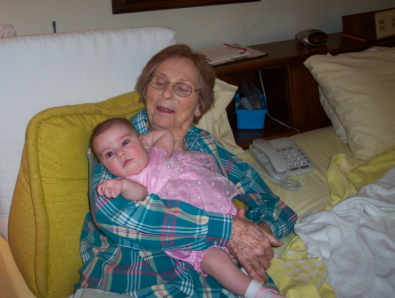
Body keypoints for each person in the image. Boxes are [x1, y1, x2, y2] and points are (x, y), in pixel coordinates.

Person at [76, 44, 297, 297]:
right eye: (159, 82)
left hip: (220, 284)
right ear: (146, 90)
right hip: (140, 279)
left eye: (181, 88)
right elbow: (117, 217)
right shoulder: (117, 142)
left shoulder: (208, 148)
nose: (167, 94)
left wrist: (256, 234)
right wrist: (228, 228)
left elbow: (275, 208)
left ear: (200, 106)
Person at [90, 117, 285, 298]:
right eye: (109, 154)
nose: (120, 153)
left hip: (216, 209)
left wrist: (144, 142)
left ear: (142, 141)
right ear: (104, 165)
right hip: (192, 232)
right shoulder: (131, 179)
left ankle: (250, 270)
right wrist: (121, 186)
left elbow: (165, 135)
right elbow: (139, 194)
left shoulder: (157, 152)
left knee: (245, 237)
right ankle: (258, 293)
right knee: (215, 262)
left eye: (125, 143)